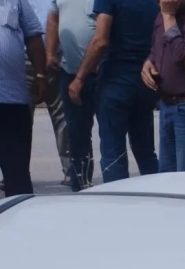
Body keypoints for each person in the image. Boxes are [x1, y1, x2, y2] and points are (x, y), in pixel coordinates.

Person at [70, 0, 159, 183]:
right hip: (146, 79)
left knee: (113, 151)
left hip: (116, 81)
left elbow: (100, 41)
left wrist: (80, 78)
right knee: (145, 150)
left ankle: (117, 203)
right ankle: (156, 197)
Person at [141, 0, 185, 172]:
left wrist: (169, 18)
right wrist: (149, 62)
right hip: (166, 105)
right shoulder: (162, 14)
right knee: (166, 176)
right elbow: (156, 48)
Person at [47, 0, 95, 189]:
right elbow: (53, 18)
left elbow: (105, 32)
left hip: (101, 72)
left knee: (110, 135)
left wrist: (82, 77)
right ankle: (80, 184)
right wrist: (50, 53)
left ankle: (115, 186)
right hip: (69, 71)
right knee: (76, 133)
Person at [1, 0, 47, 196]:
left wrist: (40, 75)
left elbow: (34, 36)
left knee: (17, 175)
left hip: (12, 101)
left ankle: (18, 224)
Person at [28, 0, 69, 187]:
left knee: (63, 120)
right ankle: (16, 171)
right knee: (19, 122)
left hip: (56, 61)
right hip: (24, 63)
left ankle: (71, 171)